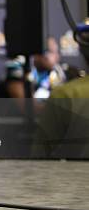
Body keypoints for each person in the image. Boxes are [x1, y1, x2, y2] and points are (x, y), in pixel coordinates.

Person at [36, 26, 89, 159]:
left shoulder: (65, 93)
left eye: (54, 51)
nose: (53, 56)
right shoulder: (24, 72)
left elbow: (39, 155)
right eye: (48, 51)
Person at [0, 36, 66, 100]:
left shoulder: (55, 72)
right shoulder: (17, 65)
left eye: (57, 52)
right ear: (39, 52)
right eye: (52, 52)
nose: (57, 57)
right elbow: (26, 106)